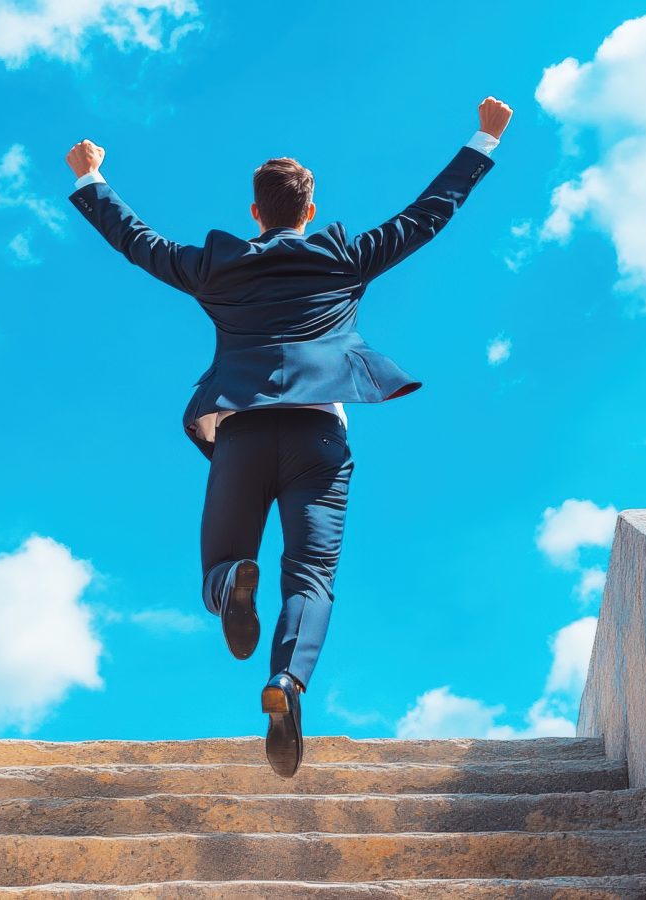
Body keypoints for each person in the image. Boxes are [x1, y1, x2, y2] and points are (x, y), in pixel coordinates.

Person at [65, 96, 512, 777]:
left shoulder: (213, 267)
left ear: (255, 214)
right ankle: (287, 683)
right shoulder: (344, 259)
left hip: (242, 432)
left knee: (221, 558)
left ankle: (230, 584)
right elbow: (429, 213)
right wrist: (484, 137)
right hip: (319, 438)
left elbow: (138, 241)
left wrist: (91, 177)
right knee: (311, 575)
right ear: (309, 212)